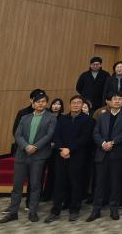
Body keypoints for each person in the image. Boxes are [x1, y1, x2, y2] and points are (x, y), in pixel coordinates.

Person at [0, 92, 56, 224]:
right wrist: (26, 146)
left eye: (43, 101)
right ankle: (13, 212)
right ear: (33, 103)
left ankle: (32, 211)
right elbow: (17, 135)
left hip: (39, 156)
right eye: (38, 102)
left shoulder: (51, 118)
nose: (40, 104)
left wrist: (35, 147)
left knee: (35, 185)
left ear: (46, 103)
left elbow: (49, 135)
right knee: (17, 185)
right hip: (22, 155)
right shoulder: (25, 117)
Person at [44, 95, 94, 223]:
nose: (76, 105)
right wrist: (62, 149)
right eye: (73, 103)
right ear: (70, 105)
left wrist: (70, 149)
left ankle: (74, 210)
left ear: (82, 105)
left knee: (76, 183)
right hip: (61, 155)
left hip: (77, 156)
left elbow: (85, 138)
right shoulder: (62, 119)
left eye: (78, 103)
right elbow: (56, 135)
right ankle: (55, 211)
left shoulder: (88, 120)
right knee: (59, 184)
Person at [86, 92, 122, 222]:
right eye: (114, 99)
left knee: (115, 183)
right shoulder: (102, 115)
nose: (117, 101)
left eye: (120, 99)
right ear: (109, 101)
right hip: (102, 153)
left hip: (117, 153)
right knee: (99, 183)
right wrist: (103, 143)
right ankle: (96, 210)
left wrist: (112, 143)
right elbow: (95, 132)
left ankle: (114, 209)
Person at [41, 98, 64, 202]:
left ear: (61, 107)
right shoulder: (46, 117)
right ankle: (44, 194)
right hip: (44, 146)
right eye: (54, 104)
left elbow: (60, 132)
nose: (56, 106)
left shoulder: (63, 118)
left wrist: (56, 142)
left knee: (54, 172)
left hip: (56, 149)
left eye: (59, 104)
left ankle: (53, 194)